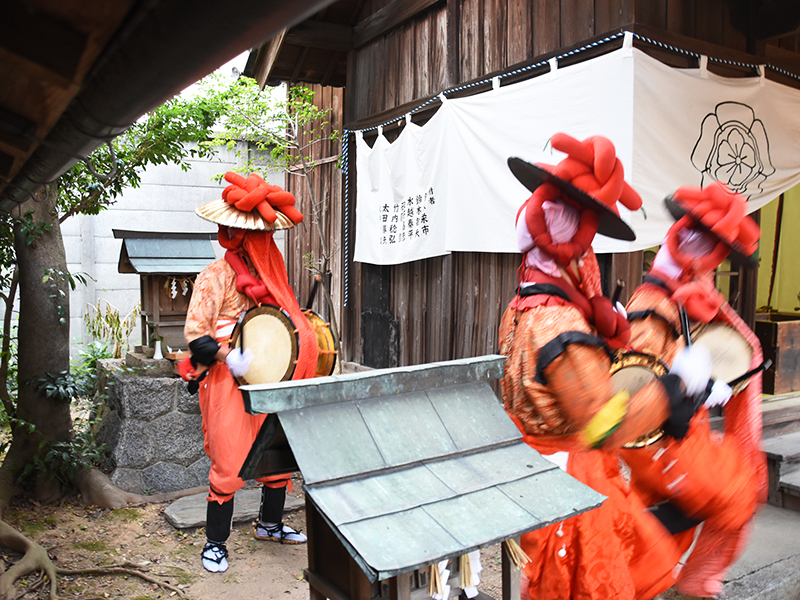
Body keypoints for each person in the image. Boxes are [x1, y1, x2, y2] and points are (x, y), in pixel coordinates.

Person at [499, 133, 701, 600]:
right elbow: (601, 424)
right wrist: (669, 392)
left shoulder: (524, 306)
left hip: (542, 469)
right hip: (568, 480)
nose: (591, 262)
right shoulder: (557, 322)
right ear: (571, 248)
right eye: (587, 251)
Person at [621, 182, 766, 597]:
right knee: (736, 491)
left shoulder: (676, 296)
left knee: (659, 540)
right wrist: (689, 390)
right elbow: (635, 391)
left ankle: (650, 574)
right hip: (659, 437)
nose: (702, 251)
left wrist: (703, 385)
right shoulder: (653, 307)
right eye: (696, 237)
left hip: (671, 432)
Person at [181, 171, 319, 573]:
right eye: (256, 236)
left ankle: (270, 524)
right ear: (235, 235)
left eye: (266, 236)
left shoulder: (270, 274)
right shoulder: (215, 275)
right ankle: (215, 543)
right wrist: (228, 357)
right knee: (230, 457)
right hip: (228, 377)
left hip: (271, 377)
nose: (263, 243)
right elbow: (196, 334)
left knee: (276, 451)